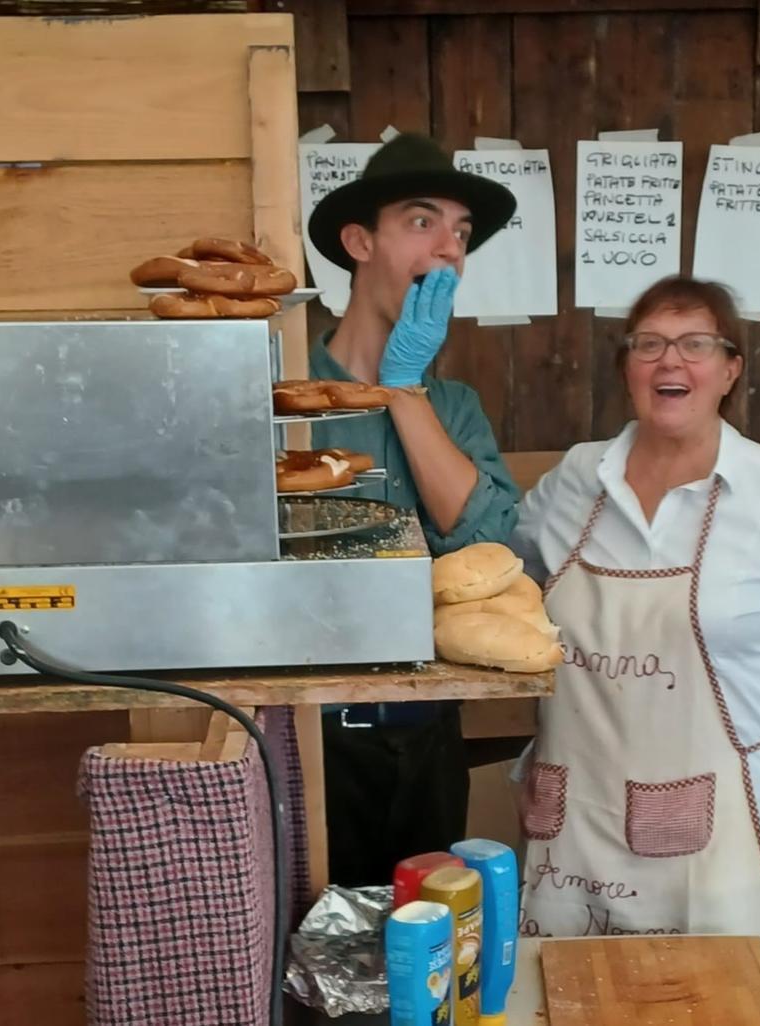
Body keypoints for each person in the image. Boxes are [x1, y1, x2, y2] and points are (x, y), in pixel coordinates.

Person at [510, 276, 760, 988]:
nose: (669, 362)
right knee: (585, 994)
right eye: (648, 344)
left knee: (723, 997)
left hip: (735, 816)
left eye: (695, 344)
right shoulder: (575, 482)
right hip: (583, 812)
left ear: (731, 369)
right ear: (627, 366)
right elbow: (513, 593)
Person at [304, 133, 521, 886]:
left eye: (461, 234)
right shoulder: (286, 395)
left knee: (427, 958)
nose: (450, 248)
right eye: (424, 222)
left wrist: (404, 388)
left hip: (429, 731)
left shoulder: (453, 407)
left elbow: (487, 535)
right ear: (360, 241)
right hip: (310, 736)